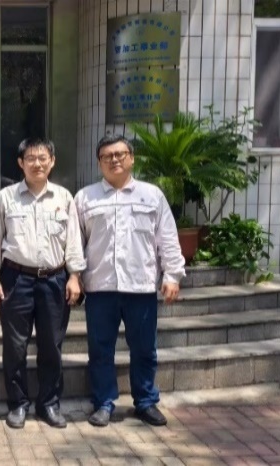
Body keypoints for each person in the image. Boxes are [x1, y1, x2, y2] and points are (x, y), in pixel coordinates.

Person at [74, 134, 185, 428]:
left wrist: (172, 275)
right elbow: (76, 242)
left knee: (144, 348)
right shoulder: (85, 198)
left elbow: (167, 238)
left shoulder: (152, 196)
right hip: (100, 287)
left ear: (132, 158)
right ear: (99, 162)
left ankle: (145, 401)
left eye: (120, 154)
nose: (114, 160)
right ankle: (103, 403)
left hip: (140, 286)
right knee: (100, 350)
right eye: (107, 156)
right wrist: (75, 275)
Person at [0, 138, 86, 429]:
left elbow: (73, 240)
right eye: (30, 158)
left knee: (51, 345)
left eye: (43, 158)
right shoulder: (6, 197)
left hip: (54, 279)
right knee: (15, 346)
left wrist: (75, 276)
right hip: (15, 278)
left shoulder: (64, 197)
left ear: (52, 161)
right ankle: (18, 404)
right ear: (21, 163)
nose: (37, 163)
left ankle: (49, 404)